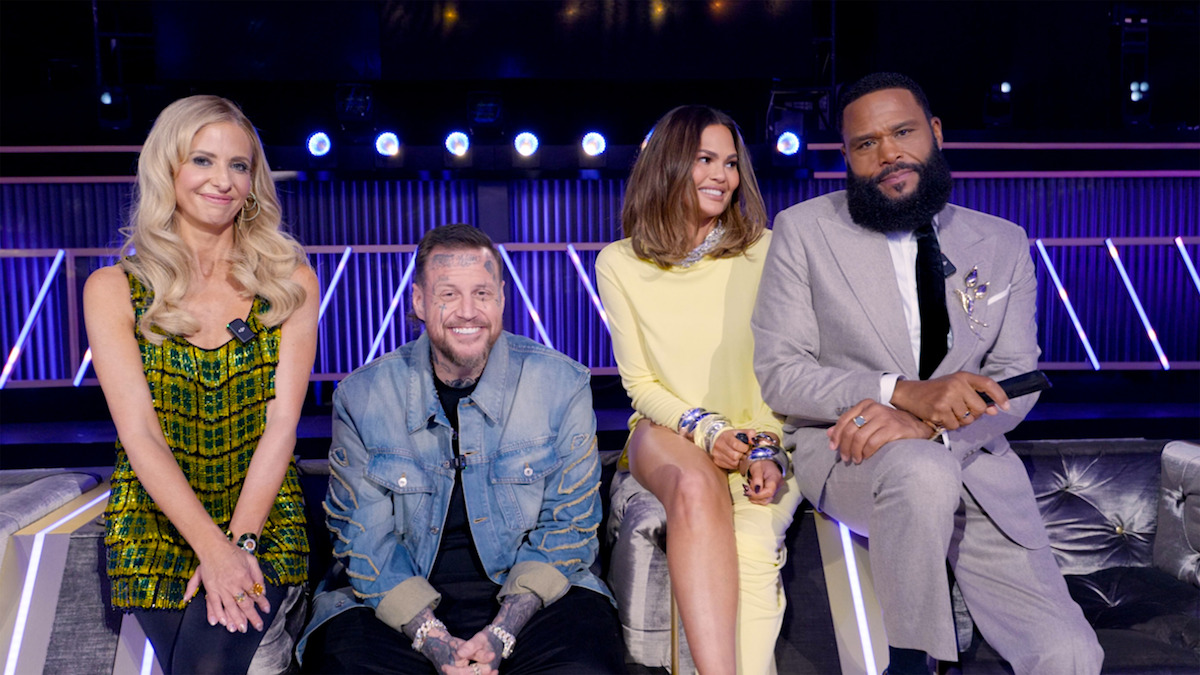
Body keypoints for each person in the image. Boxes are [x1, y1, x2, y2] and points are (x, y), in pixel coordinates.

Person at [751, 72, 1103, 674]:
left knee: (1070, 654)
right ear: (848, 157)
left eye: (903, 132)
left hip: (975, 466)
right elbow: (782, 373)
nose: (888, 153)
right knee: (919, 468)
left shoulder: (1002, 242)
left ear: (934, 132)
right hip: (854, 455)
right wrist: (899, 394)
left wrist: (933, 428)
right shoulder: (804, 231)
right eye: (866, 144)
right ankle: (911, 662)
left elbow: (1018, 372)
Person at [298, 224, 625, 675]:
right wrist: (431, 637)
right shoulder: (363, 395)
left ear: (502, 299)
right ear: (418, 301)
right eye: (448, 294)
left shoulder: (561, 384)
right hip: (394, 598)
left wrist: (502, 631)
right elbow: (362, 536)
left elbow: (572, 522)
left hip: (533, 596)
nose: (468, 312)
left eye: (482, 294)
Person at [84, 95, 319, 674]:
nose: (222, 180)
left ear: (254, 181)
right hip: (155, 524)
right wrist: (209, 549)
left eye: (238, 165)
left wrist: (236, 547)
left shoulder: (289, 281)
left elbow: (282, 423)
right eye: (203, 161)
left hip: (262, 518)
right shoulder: (113, 289)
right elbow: (141, 435)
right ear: (169, 169)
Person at [595, 105, 803, 675]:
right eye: (705, 159)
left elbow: (787, 364)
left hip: (763, 433)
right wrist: (707, 430)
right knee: (692, 481)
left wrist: (766, 445)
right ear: (667, 165)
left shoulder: (767, 249)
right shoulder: (618, 261)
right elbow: (640, 385)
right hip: (667, 430)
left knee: (753, 546)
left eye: (731, 163)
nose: (722, 175)